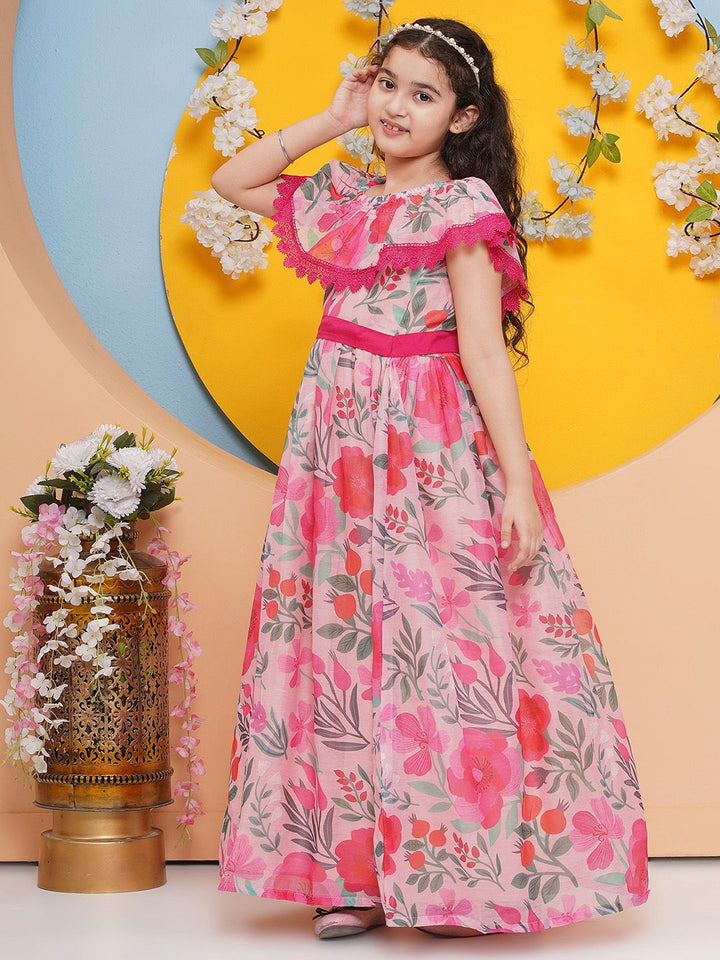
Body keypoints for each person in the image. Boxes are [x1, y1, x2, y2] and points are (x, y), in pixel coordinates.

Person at [212, 16, 650, 941]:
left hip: (429, 453)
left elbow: (483, 351)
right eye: (389, 85)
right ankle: (352, 875)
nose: (398, 107)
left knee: (441, 648)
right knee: (338, 647)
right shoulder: (342, 196)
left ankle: (449, 876)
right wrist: (332, 119)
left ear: (462, 116)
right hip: (335, 460)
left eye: (424, 94)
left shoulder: (463, 209)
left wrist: (518, 487)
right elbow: (233, 180)